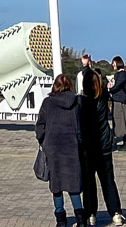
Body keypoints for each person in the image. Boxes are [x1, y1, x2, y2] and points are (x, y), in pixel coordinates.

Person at [35, 72, 86, 227]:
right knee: (73, 185)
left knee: (56, 186)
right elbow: (80, 127)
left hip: (53, 148)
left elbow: (40, 126)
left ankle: (61, 220)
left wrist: (42, 139)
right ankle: (80, 218)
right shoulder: (76, 102)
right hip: (71, 148)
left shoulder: (48, 103)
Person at [78, 67, 126, 226]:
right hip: (104, 145)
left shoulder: (82, 101)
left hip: (88, 147)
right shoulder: (104, 96)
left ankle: (90, 214)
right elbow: (106, 87)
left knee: (89, 182)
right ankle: (116, 212)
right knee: (108, 180)